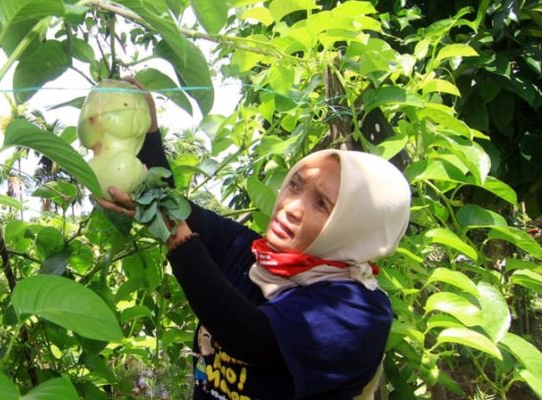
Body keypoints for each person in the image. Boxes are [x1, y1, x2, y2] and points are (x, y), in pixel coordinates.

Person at [99, 82, 411, 400]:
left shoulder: (357, 311)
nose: (292, 206)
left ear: (355, 227)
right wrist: (147, 130)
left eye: (322, 204)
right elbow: (178, 210)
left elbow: (249, 335)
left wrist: (175, 235)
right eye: (295, 185)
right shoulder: (253, 256)